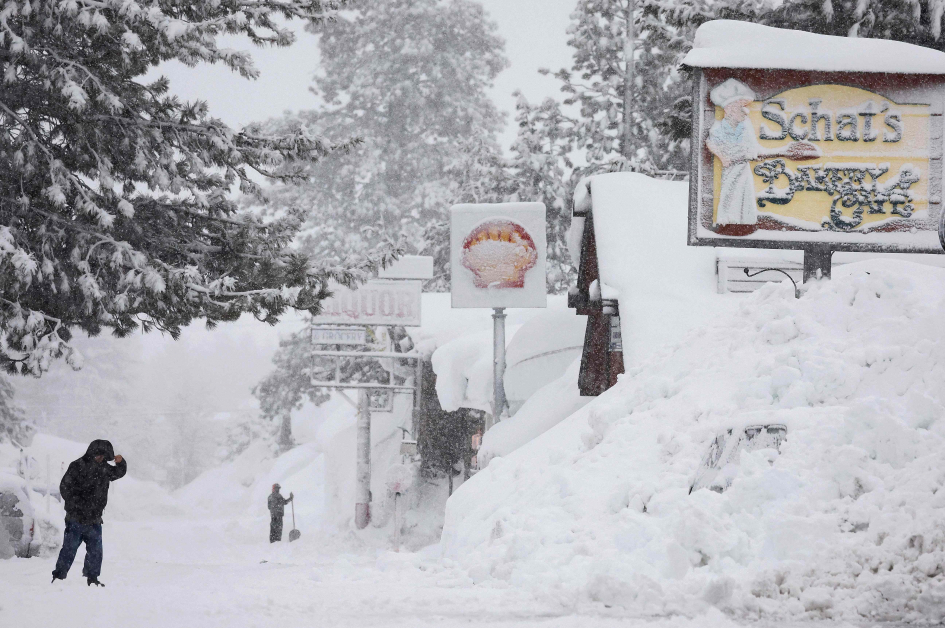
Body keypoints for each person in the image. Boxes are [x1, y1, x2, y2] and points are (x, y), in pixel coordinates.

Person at [51, 440, 126, 587]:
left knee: (96, 552)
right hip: (76, 518)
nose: (100, 458)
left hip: (94, 519)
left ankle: (92, 578)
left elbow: (118, 473)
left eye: (103, 456)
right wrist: (76, 505)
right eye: (98, 455)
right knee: (69, 549)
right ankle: (59, 577)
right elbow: (65, 487)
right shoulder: (77, 466)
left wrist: (121, 463)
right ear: (91, 452)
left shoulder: (104, 468)